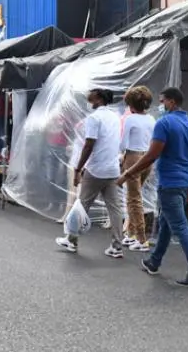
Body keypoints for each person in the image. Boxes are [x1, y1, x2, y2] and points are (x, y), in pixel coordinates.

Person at [118, 87, 188, 288]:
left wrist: (127, 173)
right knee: (167, 223)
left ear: (171, 102)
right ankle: (154, 261)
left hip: (169, 182)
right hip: (185, 182)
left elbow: (151, 155)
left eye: (162, 101)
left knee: (180, 226)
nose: (160, 105)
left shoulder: (164, 123)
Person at [55, 88, 126, 258]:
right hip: (112, 168)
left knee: (82, 204)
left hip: (96, 169)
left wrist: (79, 168)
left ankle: (71, 240)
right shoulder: (115, 117)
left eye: (91, 98)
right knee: (114, 208)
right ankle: (117, 246)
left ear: (99, 99)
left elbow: (89, 145)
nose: (89, 100)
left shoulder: (94, 118)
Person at [120, 86, 156, 252]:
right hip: (147, 158)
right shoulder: (151, 119)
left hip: (132, 157)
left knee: (134, 198)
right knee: (134, 196)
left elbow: (123, 144)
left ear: (131, 105)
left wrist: (121, 158)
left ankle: (141, 238)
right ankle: (131, 234)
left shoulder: (130, 120)